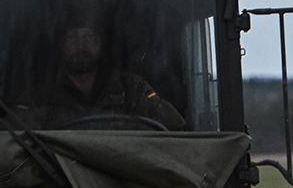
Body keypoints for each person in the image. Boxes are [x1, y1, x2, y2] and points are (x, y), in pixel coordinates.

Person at [38, 22, 185, 131]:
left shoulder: (133, 89)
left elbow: (177, 133)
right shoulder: (41, 97)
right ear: (61, 45)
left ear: (100, 44)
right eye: (72, 37)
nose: (81, 45)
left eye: (89, 36)